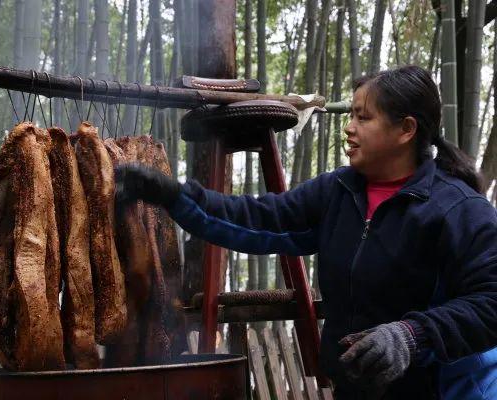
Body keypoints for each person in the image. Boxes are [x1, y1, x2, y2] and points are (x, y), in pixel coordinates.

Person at [114, 65, 497, 399]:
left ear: (406, 129)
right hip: (357, 389)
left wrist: (412, 336)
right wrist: (174, 195)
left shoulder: (458, 210)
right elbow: (259, 218)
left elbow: (491, 304)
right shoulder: (339, 193)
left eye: (364, 118)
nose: (348, 127)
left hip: (440, 391)